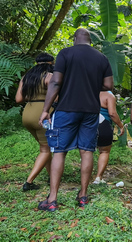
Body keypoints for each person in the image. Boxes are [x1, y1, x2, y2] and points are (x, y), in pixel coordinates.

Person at [37, 28, 113, 212]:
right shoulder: (101, 57)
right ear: (90, 40)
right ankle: (83, 196)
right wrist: (91, 82)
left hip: (66, 109)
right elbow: (109, 85)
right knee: (87, 151)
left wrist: (46, 110)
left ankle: (53, 199)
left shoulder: (65, 53)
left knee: (59, 151)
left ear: (74, 39)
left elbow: (55, 82)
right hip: (91, 111)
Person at [15, 53, 55, 191]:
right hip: (42, 114)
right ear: (51, 63)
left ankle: (52, 176)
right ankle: (29, 182)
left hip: (27, 114)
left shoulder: (26, 77)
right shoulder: (49, 76)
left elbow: (18, 99)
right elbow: (56, 99)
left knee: (45, 147)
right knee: (46, 149)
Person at [93, 91, 124, 184]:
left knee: (87, 151)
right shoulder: (108, 95)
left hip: (88, 123)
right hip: (103, 123)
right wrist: (120, 126)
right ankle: (98, 177)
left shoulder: (89, 91)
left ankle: (85, 178)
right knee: (104, 151)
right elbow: (112, 113)